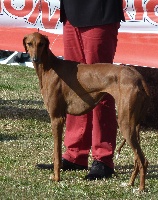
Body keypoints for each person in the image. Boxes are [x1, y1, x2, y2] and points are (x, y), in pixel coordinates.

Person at [38, 0, 125, 180]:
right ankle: (75, 154)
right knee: (73, 86)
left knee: (102, 86)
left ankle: (103, 158)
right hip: (71, 12)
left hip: (100, 13)